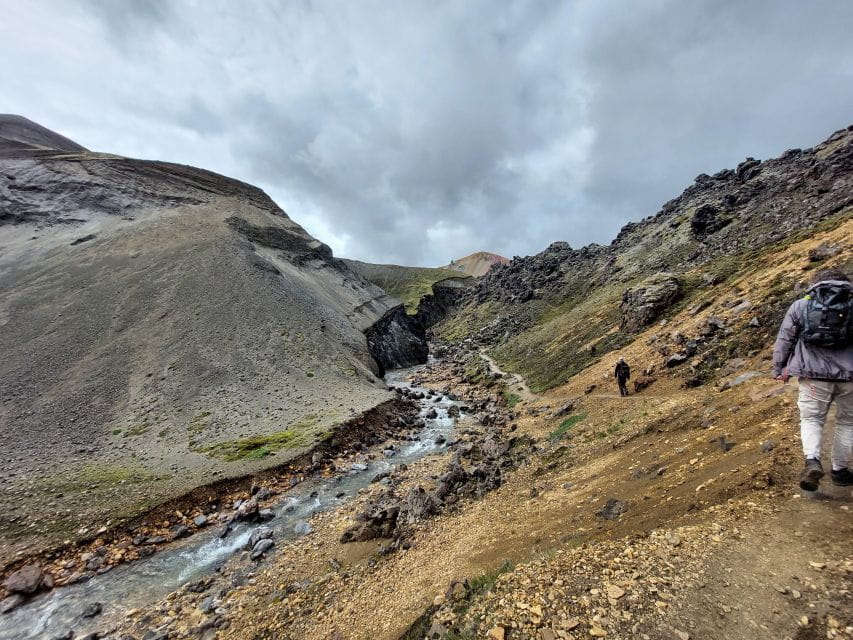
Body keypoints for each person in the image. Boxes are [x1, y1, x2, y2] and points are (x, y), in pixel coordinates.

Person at [772, 268, 853, 490]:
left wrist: (779, 368)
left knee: (812, 419)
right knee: (847, 422)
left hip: (812, 376)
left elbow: (784, 339)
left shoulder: (801, 306)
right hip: (850, 378)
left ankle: (812, 461)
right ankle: (840, 470)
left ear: (816, 284)